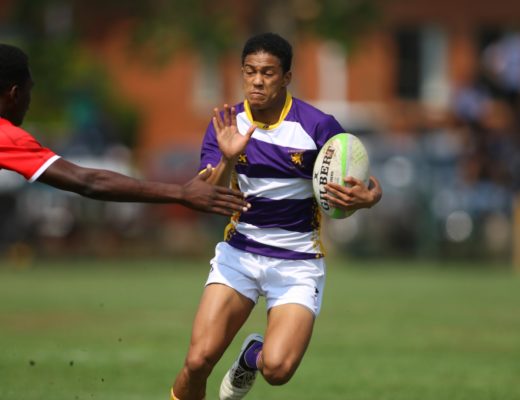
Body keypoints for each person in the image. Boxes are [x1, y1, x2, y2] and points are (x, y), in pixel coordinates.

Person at [170, 33, 382, 400]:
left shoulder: (317, 127)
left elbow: (354, 186)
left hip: (297, 263)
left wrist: (367, 199)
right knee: (198, 361)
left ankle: (251, 356)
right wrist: (228, 158)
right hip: (239, 255)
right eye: (249, 71)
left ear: (286, 78)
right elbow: (205, 197)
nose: (257, 81)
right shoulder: (227, 124)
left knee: (277, 370)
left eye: (267, 73)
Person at [0, 43, 250, 216]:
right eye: (29, 91)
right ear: (14, 93)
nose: (29, 101)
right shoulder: (6, 135)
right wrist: (181, 193)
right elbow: (87, 181)